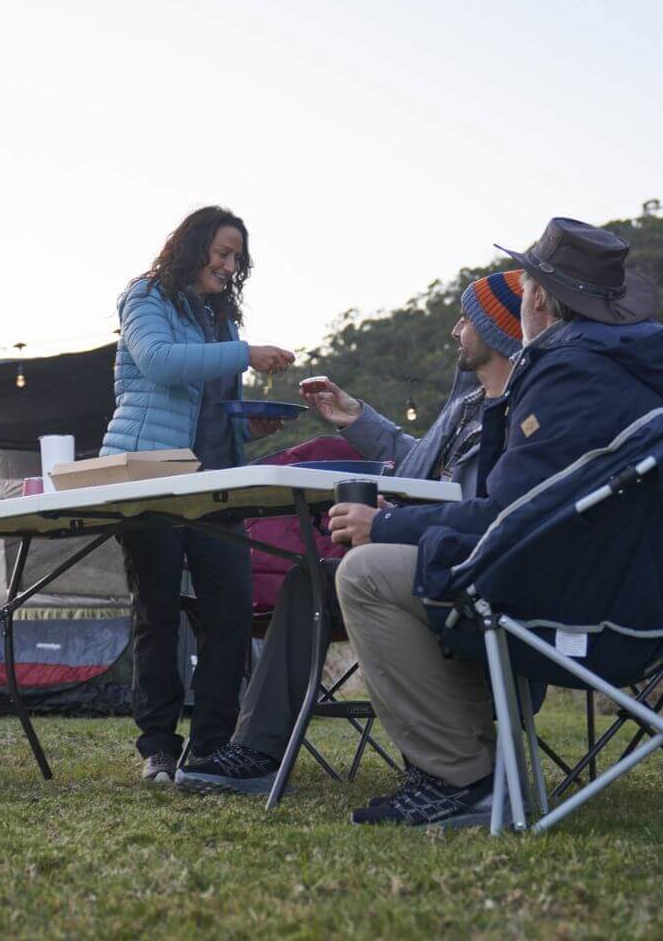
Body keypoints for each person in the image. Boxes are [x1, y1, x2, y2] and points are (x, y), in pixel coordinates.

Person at [325, 217, 663, 828]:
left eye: (524, 284)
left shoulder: (571, 375)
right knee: (402, 565)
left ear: (540, 301)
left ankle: (463, 778)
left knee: (365, 572)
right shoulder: (636, 369)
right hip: (641, 587)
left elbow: (508, 513)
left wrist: (383, 528)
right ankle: (467, 761)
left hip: (579, 599)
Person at [175, 271, 526, 795]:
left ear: (496, 333)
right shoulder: (467, 407)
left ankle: (444, 764)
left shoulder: (516, 411)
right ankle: (259, 749)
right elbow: (417, 462)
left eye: (467, 320)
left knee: (356, 575)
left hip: (464, 563)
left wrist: (390, 522)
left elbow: (488, 506)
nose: (455, 330)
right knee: (308, 582)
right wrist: (353, 417)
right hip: (423, 546)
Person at [104, 205, 296, 783]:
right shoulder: (145, 297)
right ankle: (158, 746)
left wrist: (248, 426)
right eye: (222, 252)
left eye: (237, 257)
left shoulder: (221, 318)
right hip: (151, 476)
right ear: (193, 248)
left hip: (217, 485)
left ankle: (213, 748)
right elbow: (160, 365)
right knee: (157, 612)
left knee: (231, 614)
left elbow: (211, 409)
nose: (229, 265)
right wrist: (246, 353)